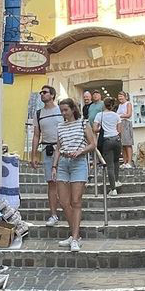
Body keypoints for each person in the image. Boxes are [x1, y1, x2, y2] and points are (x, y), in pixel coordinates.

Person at [51, 98, 97, 251]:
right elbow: (58, 147)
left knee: (76, 201)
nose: (63, 113)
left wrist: (80, 152)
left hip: (79, 163)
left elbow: (93, 143)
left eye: (66, 110)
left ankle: (75, 238)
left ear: (72, 109)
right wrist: (54, 166)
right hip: (64, 162)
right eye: (61, 110)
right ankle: (74, 235)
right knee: (64, 202)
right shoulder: (60, 126)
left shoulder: (83, 123)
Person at [29, 84, 64, 226]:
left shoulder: (61, 110)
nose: (42, 94)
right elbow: (36, 135)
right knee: (51, 183)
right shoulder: (38, 113)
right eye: (41, 92)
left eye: (45, 92)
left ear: (53, 95)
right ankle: (53, 214)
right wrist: (33, 155)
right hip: (47, 150)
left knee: (65, 182)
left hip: (63, 150)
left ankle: (69, 211)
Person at [94, 104, 123, 194]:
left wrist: (101, 129)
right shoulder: (116, 115)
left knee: (110, 166)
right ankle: (117, 180)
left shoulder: (100, 115)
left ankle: (113, 189)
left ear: (104, 106)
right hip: (117, 140)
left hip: (107, 140)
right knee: (116, 161)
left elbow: (94, 129)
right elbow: (119, 129)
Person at [115, 91, 135, 167]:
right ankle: (125, 161)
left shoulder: (128, 104)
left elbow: (129, 115)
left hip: (126, 124)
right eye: (119, 96)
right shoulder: (120, 105)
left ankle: (129, 161)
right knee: (122, 144)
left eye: (121, 96)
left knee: (128, 143)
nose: (120, 98)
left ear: (125, 96)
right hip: (120, 124)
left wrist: (119, 115)